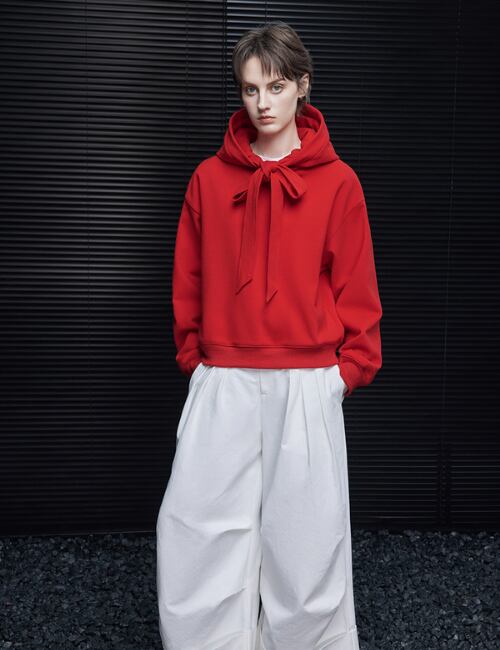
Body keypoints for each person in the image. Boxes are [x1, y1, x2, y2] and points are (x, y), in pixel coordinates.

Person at [156, 20, 382, 650]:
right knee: (198, 531)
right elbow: (188, 275)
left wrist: (346, 372)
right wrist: (196, 359)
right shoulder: (209, 178)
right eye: (250, 89)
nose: (262, 103)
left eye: (276, 87)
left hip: (307, 380)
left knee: (306, 542)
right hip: (224, 376)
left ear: (302, 86)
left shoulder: (338, 182)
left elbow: (357, 283)